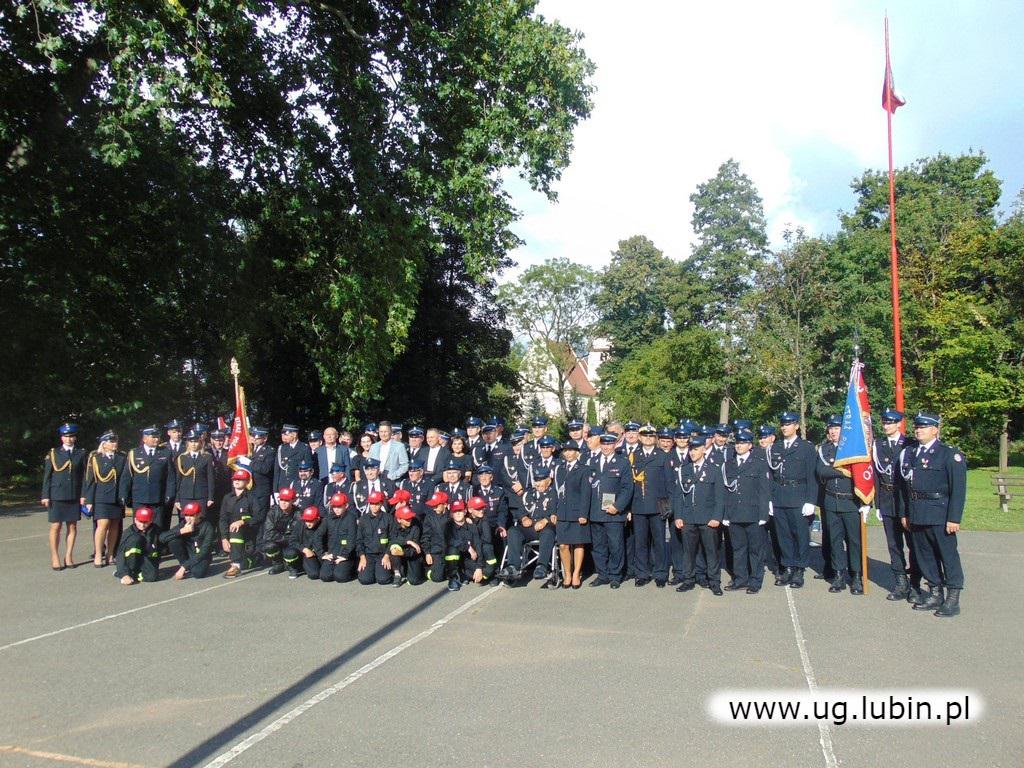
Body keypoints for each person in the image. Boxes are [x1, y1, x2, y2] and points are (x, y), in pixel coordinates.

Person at [900, 411, 967, 618]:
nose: (918, 430)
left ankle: (953, 598)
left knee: (947, 556)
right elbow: (904, 487)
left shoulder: (949, 454)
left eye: (924, 427)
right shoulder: (911, 453)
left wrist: (954, 518)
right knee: (924, 555)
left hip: (939, 512)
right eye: (917, 427)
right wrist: (905, 513)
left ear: (935, 430)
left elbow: (958, 489)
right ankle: (935, 592)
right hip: (917, 511)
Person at [767, 411, 817, 589]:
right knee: (783, 535)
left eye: (788, 424)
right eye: (782, 424)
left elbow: (812, 476)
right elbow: (771, 475)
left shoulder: (806, 448)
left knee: (800, 535)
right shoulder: (776, 447)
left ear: (796, 426)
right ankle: (787, 566)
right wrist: (770, 499)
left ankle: (799, 569)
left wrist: (811, 501)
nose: (784, 427)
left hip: (799, 496)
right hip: (779, 496)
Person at [873, 409, 919, 602]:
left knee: (913, 544)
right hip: (886, 498)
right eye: (884, 423)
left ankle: (915, 584)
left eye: (890, 423)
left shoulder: (909, 444)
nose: (886, 426)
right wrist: (876, 504)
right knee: (893, 545)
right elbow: (876, 475)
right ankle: (900, 583)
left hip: (905, 499)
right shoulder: (878, 444)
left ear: (899, 424)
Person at [816, 414, 865, 595]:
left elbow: (861, 475)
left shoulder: (854, 450)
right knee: (834, 540)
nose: (833, 432)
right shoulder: (824, 449)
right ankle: (838, 575)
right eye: (831, 428)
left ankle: (856, 576)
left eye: (837, 428)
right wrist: (842, 472)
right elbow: (821, 471)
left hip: (850, 501)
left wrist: (833, 469)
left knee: (854, 541)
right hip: (830, 500)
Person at [673, 438, 726, 595]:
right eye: (691, 449)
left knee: (711, 552)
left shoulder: (714, 470)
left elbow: (719, 497)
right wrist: (678, 516)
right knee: (688, 551)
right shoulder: (684, 469)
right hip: (688, 518)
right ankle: (688, 579)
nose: (692, 452)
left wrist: (717, 517)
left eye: (696, 449)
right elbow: (678, 496)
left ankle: (714, 581)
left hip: (708, 518)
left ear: (704, 450)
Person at [721, 430, 770, 594]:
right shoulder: (729, 464)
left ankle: (755, 580)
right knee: (738, 549)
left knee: (755, 550)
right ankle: (740, 578)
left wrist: (763, 514)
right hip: (735, 514)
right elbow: (725, 492)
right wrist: (726, 514)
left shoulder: (759, 463)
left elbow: (764, 491)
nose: (739, 446)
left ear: (750, 446)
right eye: (737, 443)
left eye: (743, 443)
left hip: (753, 514)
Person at [589, 433, 634, 588]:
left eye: (609, 444)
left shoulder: (622, 462)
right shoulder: (593, 461)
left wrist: (618, 506)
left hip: (614, 512)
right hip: (595, 511)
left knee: (616, 545)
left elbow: (627, 488)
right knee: (598, 546)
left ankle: (615, 575)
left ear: (615, 445)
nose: (606, 447)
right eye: (603, 444)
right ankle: (602, 574)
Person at [41, 422, 87, 570]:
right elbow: (47, 476)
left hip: (73, 494)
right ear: (62, 438)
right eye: (66, 436)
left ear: (75, 438)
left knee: (72, 526)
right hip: (57, 494)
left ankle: (68, 556)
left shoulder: (81, 453)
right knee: (56, 526)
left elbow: (84, 476)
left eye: (71, 436)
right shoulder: (54, 453)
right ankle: (55, 557)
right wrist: (45, 495)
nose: (69, 439)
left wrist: (83, 495)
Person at [500, 467, 558, 584]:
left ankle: (541, 566)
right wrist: (524, 517)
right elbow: (520, 510)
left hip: (547, 527)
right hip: (530, 527)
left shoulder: (554, 493)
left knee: (548, 532)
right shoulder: (528, 494)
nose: (538, 483)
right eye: (536, 480)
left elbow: (557, 510)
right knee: (513, 531)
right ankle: (513, 566)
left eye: (541, 480)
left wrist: (545, 520)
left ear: (549, 480)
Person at [628, 424, 669, 588]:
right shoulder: (633, 456)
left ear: (655, 438)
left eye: (651, 436)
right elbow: (629, 484)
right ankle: (642, 573)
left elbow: (668, 483)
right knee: (641, 542)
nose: (648, 438)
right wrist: (628, 508)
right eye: (645, 436)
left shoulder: (662, 456)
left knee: (659, 542)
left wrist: (667, 506)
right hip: (638, 506)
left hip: (657, 506)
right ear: (640, 437)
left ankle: (660, 573)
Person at [120, 425, 176, 533]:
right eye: (153, 437)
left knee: (158, 527)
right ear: (144, 439)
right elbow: (126, 477)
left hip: (158, 497)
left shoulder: (165, 452)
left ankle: (156, 549)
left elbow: (170, 476)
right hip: (139, 497)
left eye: (157, 437)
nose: (157, 439)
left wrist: (170, 494)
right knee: (140, 527)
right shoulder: (134, 453)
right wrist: (123, 494)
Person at [82, 430, 126, 568]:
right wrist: (89, 500)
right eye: (111, 441)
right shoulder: (96, 458)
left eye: (115, 441)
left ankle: (111, 554)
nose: (114, 444)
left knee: (114, 526)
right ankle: (98, 554)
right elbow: (90, 480)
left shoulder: (121, 457)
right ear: (104, 444)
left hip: (117, 496)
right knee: (103, 525)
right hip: (101, 496)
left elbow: (125, 478)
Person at [555, 442, 591, 589]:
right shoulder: (560, 469)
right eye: (566, 451)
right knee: (563, 545)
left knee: (578, 543)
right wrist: (553, 511)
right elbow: (554, 491)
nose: (568, 453)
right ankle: (567, 573)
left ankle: (576, 573)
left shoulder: (583, 469)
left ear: (577, 453)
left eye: (571, 451)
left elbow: (586, 493)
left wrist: (583, 513)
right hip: (562, 512)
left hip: (577, 513)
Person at [160, 501, 216, 580]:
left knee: (198, 573)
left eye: (192, 515)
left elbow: (204, 551)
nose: (188, 518)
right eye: (186, 515)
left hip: (201, 555)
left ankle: (187, 566)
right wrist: (181, 531)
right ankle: (186, 564)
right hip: (188, 552)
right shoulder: (183, 524)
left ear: (199, 514)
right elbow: (162, 538)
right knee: (173, 541)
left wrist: (183, 567)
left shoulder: (207, 527)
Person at [220, 469, 256, 578]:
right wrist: (224, 538)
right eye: (235, 479)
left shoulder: (251, 498)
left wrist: (242, 521)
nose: (237, 481)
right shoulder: (227, 498)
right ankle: (246, 560)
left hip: (248, 535)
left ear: (247, 482)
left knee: (236, 528)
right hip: (232, 536)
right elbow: (223, 519)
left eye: (240, 479)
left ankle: (236, 566)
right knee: (246, 562)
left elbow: (258, 517)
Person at [174, 430, 216, 522]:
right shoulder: (182, 458)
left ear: (200, 443)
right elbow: (178, 480)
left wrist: (210, 497)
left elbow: (210, 478)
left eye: (196, 441)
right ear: (187, 443)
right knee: (185, 520)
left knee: (201, 520)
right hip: (185, 495)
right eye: (191, 441)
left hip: (201, 495)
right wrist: (177, 499)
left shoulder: (207, 457)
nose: (193, 444)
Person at [355, 491, 395, 585]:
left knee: (383, 580)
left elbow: (393, 538)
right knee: (365, 580)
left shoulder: (388, 518)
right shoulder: (363, 519)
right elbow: (359, 540)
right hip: (368, 554)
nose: (374, 506)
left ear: (381, 503)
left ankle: (387, 571)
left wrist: (387, 555)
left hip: (383, 554)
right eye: (371, 503)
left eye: (376, 504)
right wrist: (362, 557)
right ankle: (372, 570)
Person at [114, 506, 161, 584]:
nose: (142, 525)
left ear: (151, 521)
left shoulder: (156, 530)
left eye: (145, 522)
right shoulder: (129, 533)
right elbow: (120, 554)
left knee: (151, 577)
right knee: (136, 539)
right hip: (132, 560)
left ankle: (134, 574)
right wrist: (124, 574)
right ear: (135, 520)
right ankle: (125, 573)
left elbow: (165, 539)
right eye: (140, 521)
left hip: (146, 558)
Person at [445, 499, 484, 591]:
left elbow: (478, 545)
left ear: (465, 511)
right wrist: (468, 547)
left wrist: (479, 567)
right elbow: (451, 541)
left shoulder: (472, 527)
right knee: (452, 550)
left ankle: (462, 575)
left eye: (460, 511)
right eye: (455, 511)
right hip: (453, 560)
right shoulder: (447, 526)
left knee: (483, 575)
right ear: (451, 514)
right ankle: (453, 578)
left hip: (467, 559)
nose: (458, 513)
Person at [320, 492, 358, 583]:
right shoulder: (328, 518)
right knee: (325, 577)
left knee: (340, 577)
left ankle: (352, 570)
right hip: (332, 554)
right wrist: (322, 553)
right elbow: (318, 535)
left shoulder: (351, 518)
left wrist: (345, 555)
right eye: (334, 507)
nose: (336, 509)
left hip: (346, 555)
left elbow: (352, 539)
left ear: (346, 505)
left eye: (339, 506)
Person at [260, 487, 300, 575]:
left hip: (291, 543)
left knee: (291, 553)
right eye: (281, 499)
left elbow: (298, 533)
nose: (283, 502)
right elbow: (269, 533)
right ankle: (278, 564)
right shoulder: (272, 512)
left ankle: (291, 566)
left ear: (293, 501)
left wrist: (290, 540)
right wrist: (285, 538)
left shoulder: (298, 513)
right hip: (278, 541)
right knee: (269, 546)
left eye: (287, 500)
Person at [388, 504, 424, 586]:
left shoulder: (416, 526)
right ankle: (397, 574)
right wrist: (408, 542)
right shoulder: (394, 526)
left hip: (412, 555)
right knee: (394, 547)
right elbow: (392, 541)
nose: (409, 520)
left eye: (410, 518)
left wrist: (403, 553)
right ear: (399, 520)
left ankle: (409, 571)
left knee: (414, 581)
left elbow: (416, 549)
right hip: (398, 554)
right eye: (406, 519)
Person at [287, 505, 325, 580]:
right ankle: (297, 567)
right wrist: (304, 549)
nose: (308, 523)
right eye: (306, 520)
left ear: (317, 519)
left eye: (311, 520)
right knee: (314, 574)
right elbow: (292, 540)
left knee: (325, 573)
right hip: (306, 552)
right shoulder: (300, 523)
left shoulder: (324, 524)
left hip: (320, 552)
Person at [421, 491, 451, 583]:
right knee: (437, 578)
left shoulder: (452, 516)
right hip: (436, 551)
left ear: (445, 505)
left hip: (451, 551)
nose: (434, 508)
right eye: (433, 506)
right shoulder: (429, 518)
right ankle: (428, 571)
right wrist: (427, 553)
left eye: (436, 506)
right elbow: (425, 536)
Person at [272, 424, 313, 490]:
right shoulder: (281, 448)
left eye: (286, 434)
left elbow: (308, 469)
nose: (283, 436)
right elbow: (277, 471)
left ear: (294, 434)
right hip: (283, 486)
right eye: (283, 434)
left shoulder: (304, 448)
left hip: (298, 486)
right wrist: (275, 489)